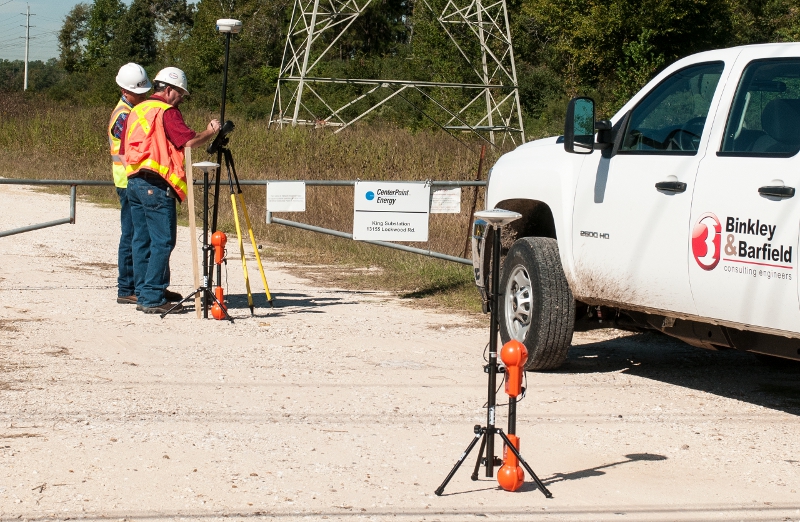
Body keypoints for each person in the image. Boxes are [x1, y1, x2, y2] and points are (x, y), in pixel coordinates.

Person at [120, 67, 220, 314]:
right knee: (163, 241)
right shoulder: (167, 111)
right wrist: (211, 131)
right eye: (181, 94)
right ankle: (153, 296)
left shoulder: (137, 110)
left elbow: (123, 149)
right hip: (155, 184)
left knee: (143, 240)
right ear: (168, 90)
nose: (182, 99)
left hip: (133, 182)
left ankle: (145, 291)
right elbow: (187, 141)